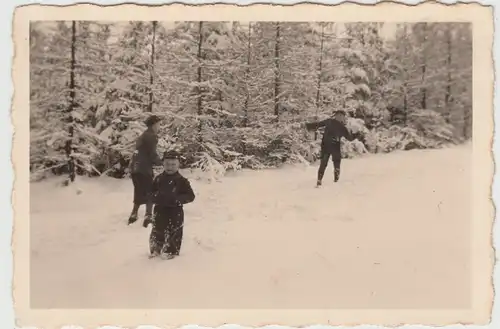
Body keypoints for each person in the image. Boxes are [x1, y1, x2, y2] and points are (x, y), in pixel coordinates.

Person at [148, 150, 196, 259]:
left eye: (173, 164)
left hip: (175, 210)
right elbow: (150, 193)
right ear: (163, 164)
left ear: (178, 164)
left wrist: (178, 199)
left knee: (175, 231)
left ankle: (171, 251)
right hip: (160, 209)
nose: (170, 167)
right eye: (167, 164)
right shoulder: (158, 179)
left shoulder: (182, 181)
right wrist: (156, 197)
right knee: (157, 229)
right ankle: (156, 249)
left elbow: (190, 196)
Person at [128, 114, 163, 227]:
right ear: (153, 125)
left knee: (138, 190)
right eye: (158, 124)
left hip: (135, 167)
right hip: (144, 168)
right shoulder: (151, 136)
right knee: (150, 190)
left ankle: (133, 215)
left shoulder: (143, 135)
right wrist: (161, 162)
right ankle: (148, 215)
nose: (159, 126)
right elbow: (151, 153)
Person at [305, 110, 355, 187]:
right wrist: (308, 126)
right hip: (326, 145)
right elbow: (319, 124)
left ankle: (336, 180)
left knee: (337, 163)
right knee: (323, 163)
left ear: (343, 118)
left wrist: (354, 133)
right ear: (335, 116)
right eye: (338, 115)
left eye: (341, 116)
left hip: (335, 146)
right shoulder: (329, 121)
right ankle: (319, 180)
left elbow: (349, 138)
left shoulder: (342, 128)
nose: (340, 117)